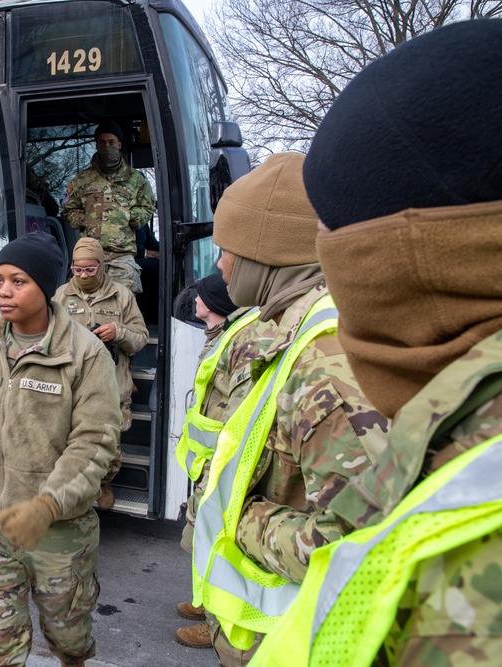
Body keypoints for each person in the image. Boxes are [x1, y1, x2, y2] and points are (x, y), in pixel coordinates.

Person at [249, 20, 502, 666]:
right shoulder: (456, 427)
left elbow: (339, 540)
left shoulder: (474, 485)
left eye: (336, 236)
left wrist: (246, 522)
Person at [192, 152, 392, 666]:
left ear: (266, 254)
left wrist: (241, 522)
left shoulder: (325, 362)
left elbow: (359, 545)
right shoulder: (292, 331)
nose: (219, 266)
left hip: (295, 643)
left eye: (226, 250)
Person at [0, 231, 120, 667]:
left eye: (19, 281)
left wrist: (48, 506)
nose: (4, 292)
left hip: (59, 531)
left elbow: (93, 442)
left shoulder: (85, 355)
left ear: (45, 286)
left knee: (68, 637)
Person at [174, 273, 258, 650]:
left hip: (219, 462)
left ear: (215, 305)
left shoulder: (233, 342)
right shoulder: (220, 337)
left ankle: (216, 624)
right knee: (199, 538)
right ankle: (204, 601)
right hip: (208, 461)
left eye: (202, 297)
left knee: (209, 540)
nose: (195, 301)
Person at [54, 236, 148, 509]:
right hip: (71, 385)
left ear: (102, 265)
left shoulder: (122, 295)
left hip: (110, 384)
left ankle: (103, 482)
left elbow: (141, 338)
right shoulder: (60, 296)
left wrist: (118, 332)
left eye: (90, 269)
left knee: (109, 450)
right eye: (77, 269)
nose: (83, 275)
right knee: (67, 442)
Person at [62, 119, 155, 293]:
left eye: (111, 142)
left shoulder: (136, 179)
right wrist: (87, 220)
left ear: (119, 144)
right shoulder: (82, 180)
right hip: (89, 257)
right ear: (96, 145)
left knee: (123, 307)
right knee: (84, 309)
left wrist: (128, 217)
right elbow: (69, 208)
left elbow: (147, 208)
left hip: (122, 258)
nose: (107, 146)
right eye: (102, 142)